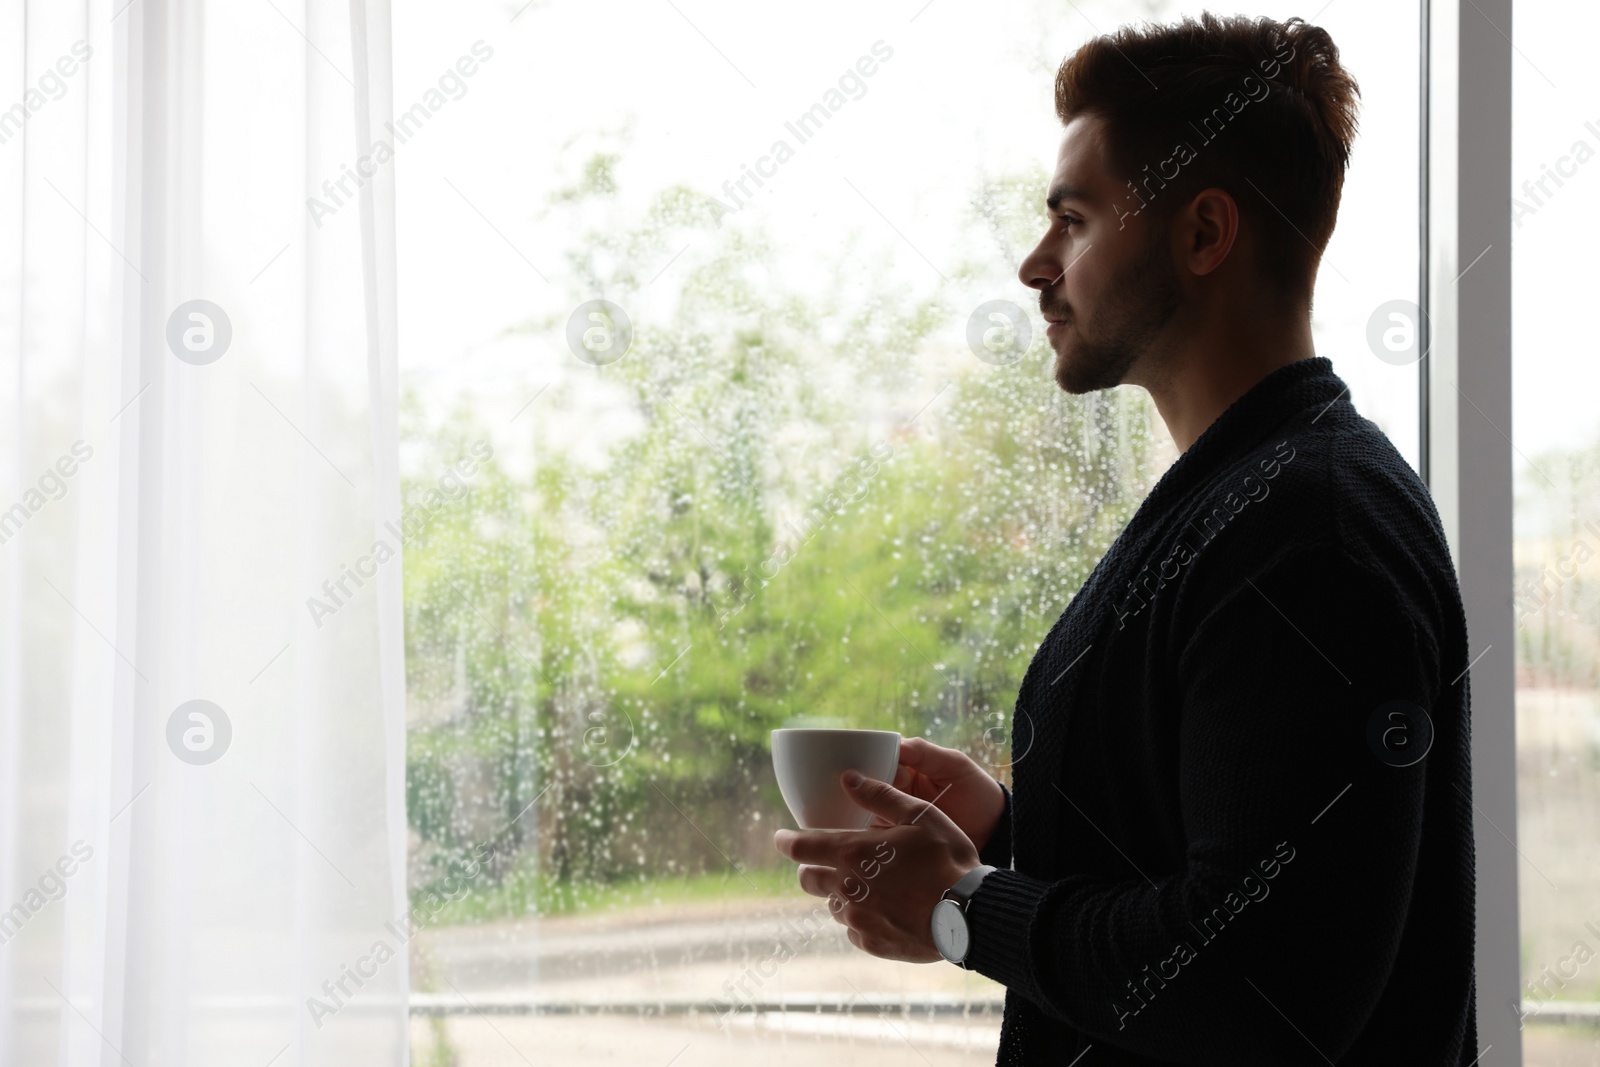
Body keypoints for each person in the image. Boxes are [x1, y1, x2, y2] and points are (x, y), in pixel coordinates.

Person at [774, 12, 1479, 1065]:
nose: (1031, 264)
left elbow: (1262, 982)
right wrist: (1017, 830)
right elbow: (1224, 859)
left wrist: (964, 904)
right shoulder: (1245, 500)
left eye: (1073, 219)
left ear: (1202, 234)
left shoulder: (1310, 534)